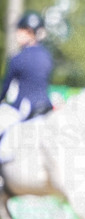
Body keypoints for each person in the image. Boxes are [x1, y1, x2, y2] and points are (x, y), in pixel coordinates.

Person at [0, 11, 54, 139]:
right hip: (46, 107)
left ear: (29, 32)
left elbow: (5, 89)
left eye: (19, 30)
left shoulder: (18, 58)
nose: (17, 34)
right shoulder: (47, 56)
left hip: (24, 109)